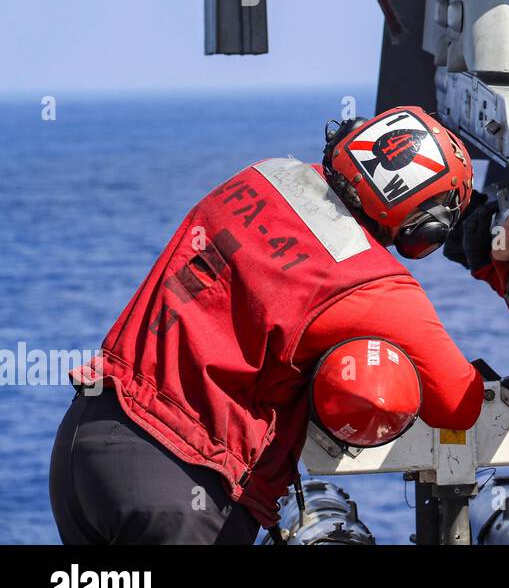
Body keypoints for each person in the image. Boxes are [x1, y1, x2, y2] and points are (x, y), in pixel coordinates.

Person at [48, 107, 485, 544]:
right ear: (424, 228)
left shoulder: (264, 176)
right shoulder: (373, 284)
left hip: (85, 439)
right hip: (180, 480)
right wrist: (492, 263)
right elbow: (458, 405)